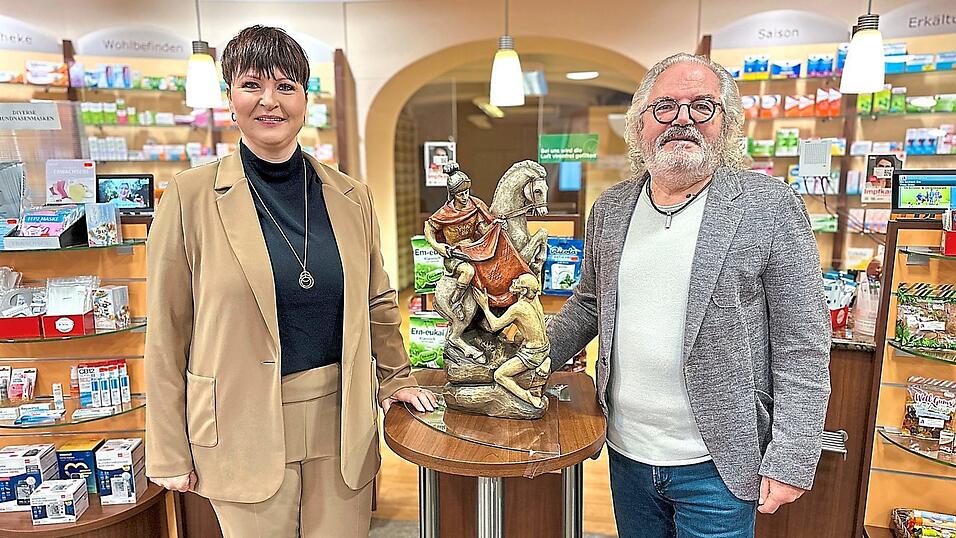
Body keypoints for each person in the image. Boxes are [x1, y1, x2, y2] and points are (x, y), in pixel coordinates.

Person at [145, 25, 437, 538]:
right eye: (251, 84)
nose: (269, 101)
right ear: (229, 98)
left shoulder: (351, 197)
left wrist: (396, 377)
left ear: (305, 99)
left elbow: (378, 301)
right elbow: (166, 333)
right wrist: (168, 447)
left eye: (286, 86)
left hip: (340, 417)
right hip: (237, 422)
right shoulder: (190, 198)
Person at [547, 52, 831, 538]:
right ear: (640, 125)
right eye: (665, 107)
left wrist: (793, 453)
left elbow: (802, 341)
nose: (682, 119)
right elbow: (591, 304)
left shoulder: (769, 206)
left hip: (720, 462)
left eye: (703, 106)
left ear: (727, 124)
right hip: (626, 452)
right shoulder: (611, 210)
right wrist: (529, 354)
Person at [424, 162, 495, 318]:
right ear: (452, 194)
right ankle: (455, 301)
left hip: (474, 251)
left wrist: (494, 227)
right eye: (460, 194)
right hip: (455, 254)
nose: (465, 197)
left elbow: (482, 229)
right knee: (468, 271)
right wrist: (438, 247)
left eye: (466, 192)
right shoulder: (445, 213)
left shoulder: (475, 206)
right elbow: (429, 229)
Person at [472, 274, 551, 408]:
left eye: (518, 282)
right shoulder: (535, 301)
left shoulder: (518, 308)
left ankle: (529, 397)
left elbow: (495, 326)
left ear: (524, 291)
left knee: (499, 375)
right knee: (517, 337)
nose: (514, 282)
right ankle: (544, 361)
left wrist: (485, 306)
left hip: (533, 353)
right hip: (545, 347)